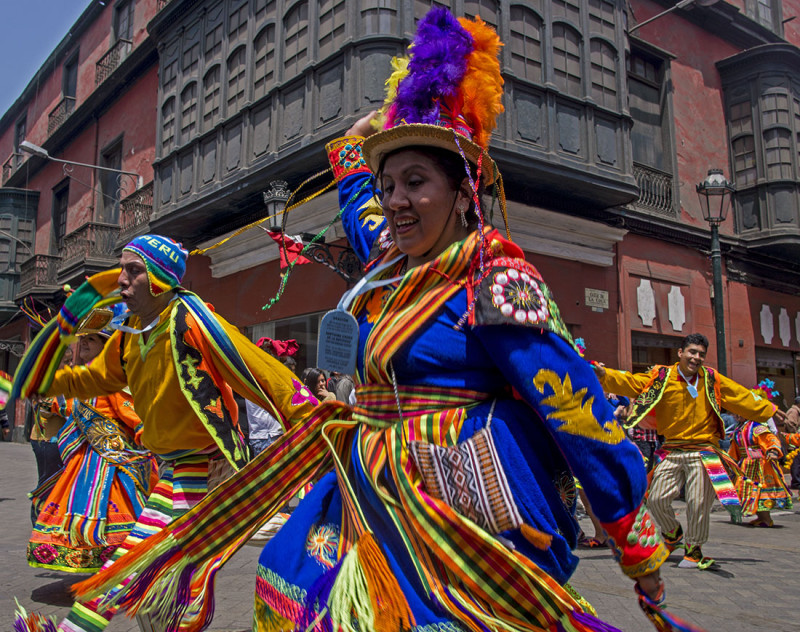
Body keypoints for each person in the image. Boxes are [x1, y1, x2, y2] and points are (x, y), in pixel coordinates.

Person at [59, 11, 674, 632]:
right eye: (389, 184)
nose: (396, 200)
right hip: (363, 485)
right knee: (294, 585)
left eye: (416, 181)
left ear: (464, 192)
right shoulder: (390, 262)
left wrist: (633, 540)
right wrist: (383, 127)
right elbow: (360, 199)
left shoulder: (495, 280)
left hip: (453, 503)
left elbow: (575, 409)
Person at [13, 234, 318, 632]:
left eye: (132, 270)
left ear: (159, 278)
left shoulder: (192, 321)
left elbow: (260, 370)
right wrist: (53, 383)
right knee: (142, 563)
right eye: (122, 268)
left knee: (143, 557)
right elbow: (100, 378)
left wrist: (315, 418)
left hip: (206, 463)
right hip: (172, 466)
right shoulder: (131, 331)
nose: (120, 279)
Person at [595, 333, 782, 570]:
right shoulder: (662, 377)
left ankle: (694, 550)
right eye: (692, 352)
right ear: (680, 353)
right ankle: (673, 533)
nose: (696, 358)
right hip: (672, 449)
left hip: (704, 451)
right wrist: (605, 375)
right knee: (656, 498)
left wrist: (768, 410)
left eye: (701, 354)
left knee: (697, 502)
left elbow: (739, 395)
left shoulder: (711, 378)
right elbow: (633, 382)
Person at [28, 322, 158, 574]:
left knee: (111, 517)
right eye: (84, 338)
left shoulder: (113, 380)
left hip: (112, 466)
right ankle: (97, 566)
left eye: (94, 339)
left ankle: (119, 567)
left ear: (108, 346)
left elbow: (133, 414)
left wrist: (150, 437)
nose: (85, 342)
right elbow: (70, 407)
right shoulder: (87, 377)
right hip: (84, 460)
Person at [728, 408, 792, 528]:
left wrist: (773, 450)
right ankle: (761, 517)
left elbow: (770, 439)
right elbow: (734, 449)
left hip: (760, 466)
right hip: (746, 465)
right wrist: (731, 461)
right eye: (735, 412)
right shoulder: (739, 429)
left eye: (740, 412)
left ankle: (766, 519)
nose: (737, 414)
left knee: (760, 491)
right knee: (750, 492)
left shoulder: (757, 427)